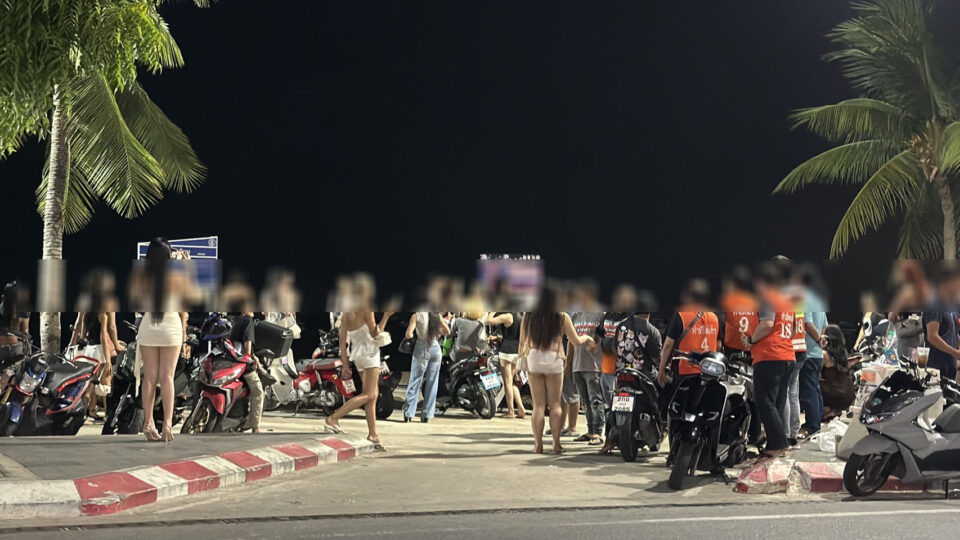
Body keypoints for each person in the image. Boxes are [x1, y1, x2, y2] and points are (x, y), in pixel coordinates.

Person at [519, 287, 595, 454]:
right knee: (555, 404)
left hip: (534, 357)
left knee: (538, 405)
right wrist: (588, 338)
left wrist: (520, 362)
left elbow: (522, 342)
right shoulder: (561, 316)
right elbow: (576, 341)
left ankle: (538, 445)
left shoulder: (529, 315)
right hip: (554, 358)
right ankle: (556, 444)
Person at [131, 238, 188, 443]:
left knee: (149, 378)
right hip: (170, 326)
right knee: (167, 377)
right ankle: (167, 424)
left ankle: (148, 423)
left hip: (149, 326)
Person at [656, 280, 719, 463]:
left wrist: (661, 369)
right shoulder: (714, 317)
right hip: (708, 373)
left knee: (677, 412)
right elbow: (718, 345)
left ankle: (673, 453)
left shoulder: (681, 315)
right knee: (702, 411)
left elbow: (668, 345)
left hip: (684, 372)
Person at [742, 264, 796, 458]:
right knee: (777, 403)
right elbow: (792, 329)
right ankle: (776, 444)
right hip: (787, 355)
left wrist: (751, 340)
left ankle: (778, 444)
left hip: (770, 355)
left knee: (764, 400)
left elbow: (767, 324)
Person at [599, 308, 662, 455]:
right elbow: (657, 357)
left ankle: (608, 442)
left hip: (622, 373)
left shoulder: (621, 326)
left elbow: (614, 347)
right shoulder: (652, 331)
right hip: (644, 375)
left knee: (614, 404)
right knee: (661, 396)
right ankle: (659, 426)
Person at [325, 311, 385, 450]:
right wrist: (386, 317)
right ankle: (334, 418)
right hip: (370, 353)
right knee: (369, 395)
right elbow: (376, 334)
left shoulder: (346, 314)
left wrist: (345, 364)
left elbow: (342, 342)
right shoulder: (367, 310)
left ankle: (373, 434)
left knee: (372, 396)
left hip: (358, 355)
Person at [403, 313, 450, 422]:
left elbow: (408, 334)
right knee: (433, 382)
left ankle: (409, 413)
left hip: (421, 347)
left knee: (415, 380)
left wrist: (414, 335)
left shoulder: (416, 315)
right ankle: (427, 414)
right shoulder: (437, 315)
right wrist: (438, 332)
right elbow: (447, 331)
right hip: (436, 349)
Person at [568, 311, 605, 445]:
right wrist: (568, 362)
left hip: (594, 365)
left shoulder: (601, 315)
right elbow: (571, 341)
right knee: (585, 401)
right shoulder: (576, 315)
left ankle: (598, 432)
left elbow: (605, 337)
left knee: (596, 400)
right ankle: (590, 430)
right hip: (578, 365)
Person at [227, 312, 267, 433]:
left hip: (228, 362)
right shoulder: (247, 321)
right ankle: (255, 426)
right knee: (258, 391)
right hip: (241, 363)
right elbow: (247, 342)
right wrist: (249, 358)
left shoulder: (230, 320)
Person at [923, 263, 960, 382]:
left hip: (950, 366)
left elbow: (953, 332)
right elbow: (932, 336)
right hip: (936, 367)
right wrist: (955, 353)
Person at [486, 311, 526, 419]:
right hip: (517, 351)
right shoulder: (521, 316)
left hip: (506, 351)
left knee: (507, 382)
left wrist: (493, 311)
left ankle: (511, 411)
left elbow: (488, 321)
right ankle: (521, 409)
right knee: (512, 381)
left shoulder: (507, 316)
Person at [820, 325, 855, 419]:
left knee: (811, 383)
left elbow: (816, 374)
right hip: (849, 395)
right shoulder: (843, 353)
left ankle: (828, 411)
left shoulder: (824, 354)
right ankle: (834, 411)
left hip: (834, 395)